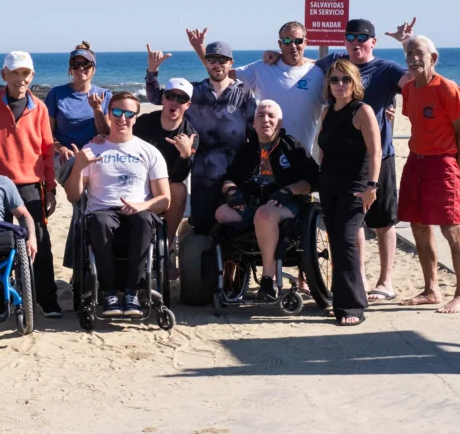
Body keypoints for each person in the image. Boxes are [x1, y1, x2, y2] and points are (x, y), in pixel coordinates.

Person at [263, 17, 417, 302]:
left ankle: (385, 282)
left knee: (382, 222)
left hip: (378, 157)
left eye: (362, 39)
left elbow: (417, 79)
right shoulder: (335, 62)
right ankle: (355, 279)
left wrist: (406, 42)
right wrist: (277, 55)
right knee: (350, 225)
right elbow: (302, 62)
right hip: (340, 164)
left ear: (373, 42)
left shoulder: (386, 68)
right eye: (351, 38)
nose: (356, 44)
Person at [0, 51, 61, 317]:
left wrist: (50, 187)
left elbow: (47, 150)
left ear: (32, 75)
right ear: (4, 74)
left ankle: (47, 300)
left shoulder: (39, 108)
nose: (21, 79)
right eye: (15, 73)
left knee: (38, 240)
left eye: (26, 73)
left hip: (30, 185)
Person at [63, 92, 171, 317]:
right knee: (100, 221)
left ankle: (132, 292)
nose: (123, 118)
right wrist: (78, 167)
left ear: (136, 117)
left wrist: (142, 205)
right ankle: (109, 292)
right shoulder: (93, 149)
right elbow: (73, 196)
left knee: (143, 220)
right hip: (102, 212)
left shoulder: (149, 152)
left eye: (129, 113)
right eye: (118, 112)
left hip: (138, 212)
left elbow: (164, 200)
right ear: (109, 114)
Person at [146, 40, 256, 233]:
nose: (217, 64)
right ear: (206, 62)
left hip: (235, 170)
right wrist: (152, 71)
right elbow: (157, 97)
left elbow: (254, 134)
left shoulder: (243, 93)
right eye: (212, 59)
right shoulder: (194, 91)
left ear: (231, 63)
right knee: (203, 226)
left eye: (223, 60)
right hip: (200, 172)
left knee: (234, 225)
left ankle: (231, 263)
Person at [215, 100, 319, 302]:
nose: (266, 120)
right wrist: (231, 190)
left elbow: (314, 180)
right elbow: (228, 177)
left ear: (279, 122)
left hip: (287, 206)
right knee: (221, 213)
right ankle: (231, 270)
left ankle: (267, 280)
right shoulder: (247, 150)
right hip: (253, 204)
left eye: (271, 116)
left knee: (264, 215)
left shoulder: (292, 147)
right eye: (260, 115)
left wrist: (289, 190)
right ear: (253, 123)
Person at [399, 36, 460, 314]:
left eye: (419, 53)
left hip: (442, 163)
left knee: (450, 228)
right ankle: (432, 289)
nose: (413, 58)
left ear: (434, 57)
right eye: (409, 54)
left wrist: (453, 169)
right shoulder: (408, 89)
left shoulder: (448, 88)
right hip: (415, 161)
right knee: (418, 225)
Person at [189, 23, 325, 152]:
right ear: (280, 44)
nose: (293, 46)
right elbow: (223, 73)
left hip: (302, 155)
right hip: (268, 157)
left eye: (298, 41)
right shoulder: (262, 68)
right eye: (287, 41)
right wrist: (199, 48)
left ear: (306, 42)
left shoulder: (318, 73)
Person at [318, 60, 381, 325]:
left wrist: (372, 187)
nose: (340, 85)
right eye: (334, 80)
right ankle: (346, 299)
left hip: (355, 188)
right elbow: (322, 149)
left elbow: (376, 151)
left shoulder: (362, 111)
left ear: (354, 83)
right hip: (329, 186)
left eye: (345, 79)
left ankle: (352, 307)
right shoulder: (327, 112)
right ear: (328, 84)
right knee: (337, 244)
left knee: (346, 243)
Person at [131, 78, 197, 250]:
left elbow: (179, 177)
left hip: (164, 187)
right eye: (170, 96)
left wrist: (185, 155)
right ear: (162, 99)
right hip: (135, 180)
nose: (175, 102)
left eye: (182, 99)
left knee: (179, 189)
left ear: (188, 105)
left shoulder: (190, 135)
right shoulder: (143, 123)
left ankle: (166, 248)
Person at [44, 42, 111, 163]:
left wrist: (97, 109)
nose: (81, 68)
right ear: (70, 69)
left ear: (93, 69)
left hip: (94, 153)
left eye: (86, 64)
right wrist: (61, 148)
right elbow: (46, 132)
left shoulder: (105, 95)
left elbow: (107, 134)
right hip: (64, 156)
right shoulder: (56, 94)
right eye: (75, 64)